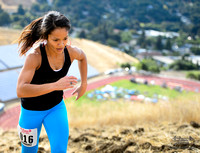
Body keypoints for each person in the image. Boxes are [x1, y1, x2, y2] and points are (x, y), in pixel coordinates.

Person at [16, 11, 87, 153]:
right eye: (56, 40)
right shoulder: (34, 56)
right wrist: (55, 85)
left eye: (65, 38)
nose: (61, 44)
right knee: (28, 151)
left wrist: (84, 84)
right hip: (31, 112)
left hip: (55, 108)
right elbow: (21, 90)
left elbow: (82, 57)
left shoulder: (70, 51)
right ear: (46, 37)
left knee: (60, 150)